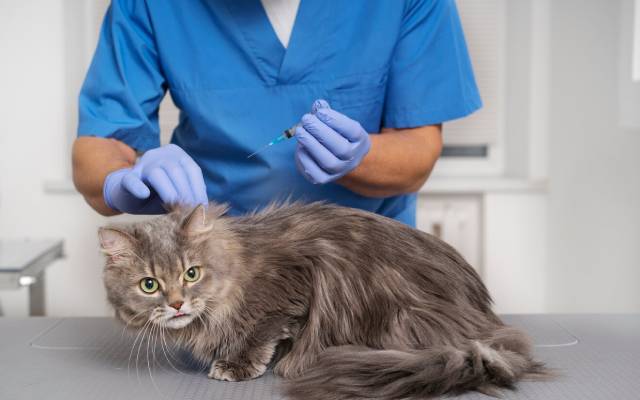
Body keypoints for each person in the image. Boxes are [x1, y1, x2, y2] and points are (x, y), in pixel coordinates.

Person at [72, 0, 481, 226]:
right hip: (222, 266)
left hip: (364, 266)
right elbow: (98, 145)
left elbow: (418, 151)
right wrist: (122, 181)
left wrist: (360, 159)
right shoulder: (150, 6)